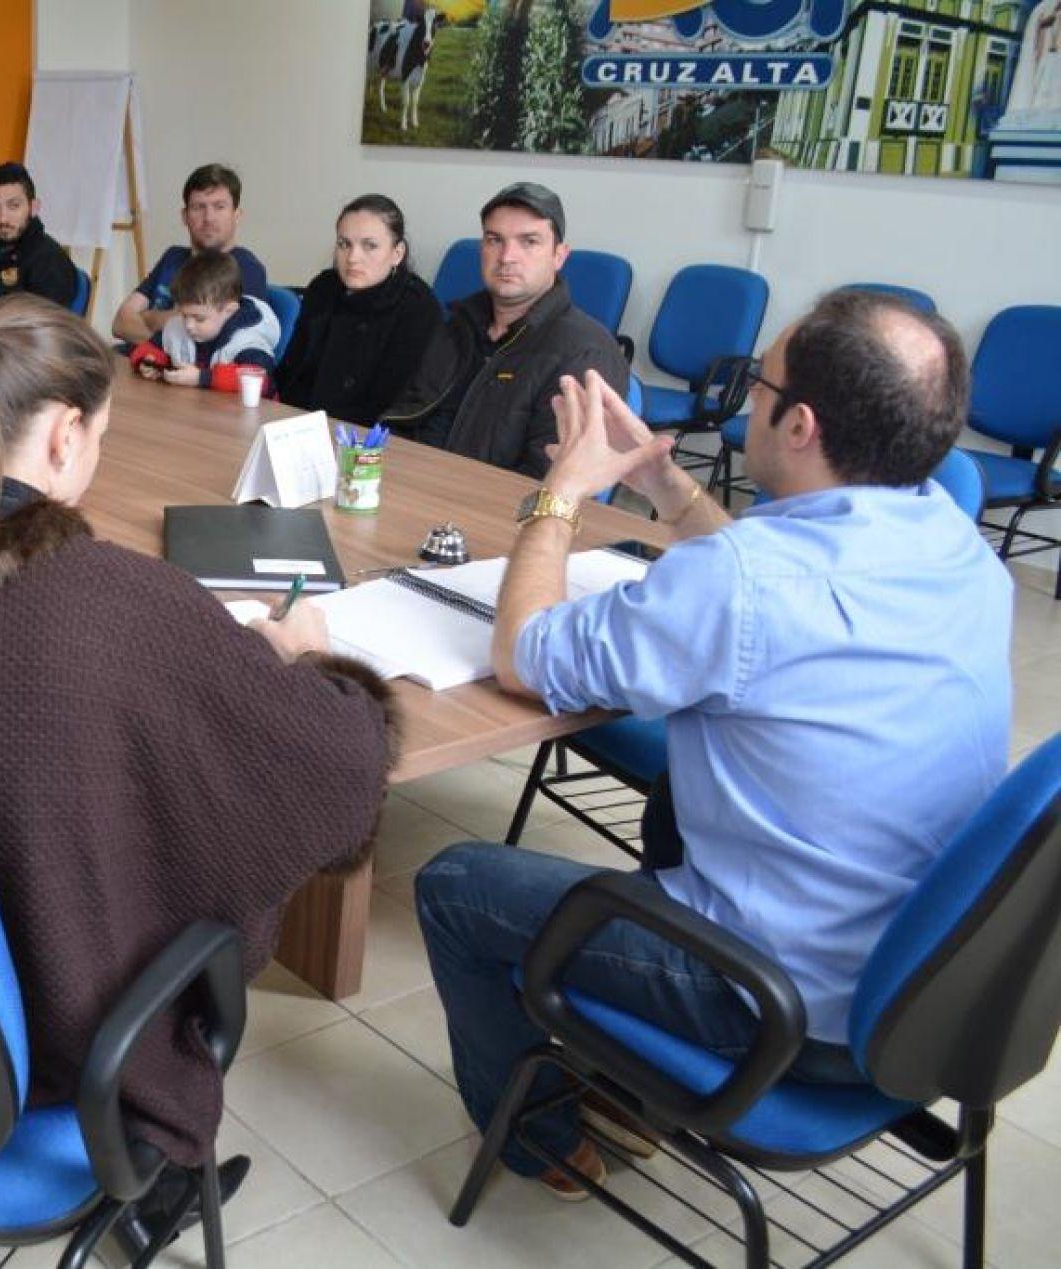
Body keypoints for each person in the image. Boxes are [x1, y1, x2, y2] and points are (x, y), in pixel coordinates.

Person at [0, 295, 394, 1247]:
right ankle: (151, 1191)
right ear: (65, 437)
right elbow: (331, 771)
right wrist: (311, 664)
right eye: (102, 436)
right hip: (61, 1037)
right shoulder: (116, 603)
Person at [414, 289, 1012, 1198]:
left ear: (799, 423)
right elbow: (779, 589)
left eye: (760, 381)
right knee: (670, 800)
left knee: (456, 884)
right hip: (931, 995)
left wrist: (562, 494)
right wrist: (662, 482)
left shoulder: (742, 583)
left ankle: (536, 1135)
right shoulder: (951, 539)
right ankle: (621, 1074)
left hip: (788, 1014)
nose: (745, 397)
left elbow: (523, 654)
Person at [381, 183, 626, 477]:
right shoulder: (457, 327)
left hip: (493, 513)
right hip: (408, 485)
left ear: (559, 256)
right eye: (494, 240)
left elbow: (553, 482)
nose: (507, 256)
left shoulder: (586, 354)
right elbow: (405, 418)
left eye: (529, 241)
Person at [278, 194, 444, 425]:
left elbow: (397, 405)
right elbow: (291, 374)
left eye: (370, 246)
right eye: (344, 244)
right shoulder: (323, 288)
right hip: (300, 426)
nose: (353, 258)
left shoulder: (418, 308)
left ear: (397, 253)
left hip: (369, 442)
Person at [112, 164, 269, 346]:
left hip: (188, 373)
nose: (208, 217)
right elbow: (120, 323)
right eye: (198, 207)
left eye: (219, 207)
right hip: (143, 361)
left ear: (237, 215)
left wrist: (147, 317)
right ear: (185, 216)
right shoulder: (172, 257)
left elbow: (215, 344)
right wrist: (169, 335)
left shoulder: (247, 268)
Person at [128, 251, 279, 395]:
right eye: (183, 315)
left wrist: (202, 378)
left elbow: (260, 381)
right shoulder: (179, 327)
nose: (188, 325)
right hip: (197, 409)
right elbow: (146, 349)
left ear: (229, 310)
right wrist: (149, 362)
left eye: (199, 318)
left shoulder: (248, 341)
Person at [0, 161, 78, 309]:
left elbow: (45, 327)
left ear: (33, 207)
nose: (3, 218)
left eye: (13, 206)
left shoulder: (49, 260)